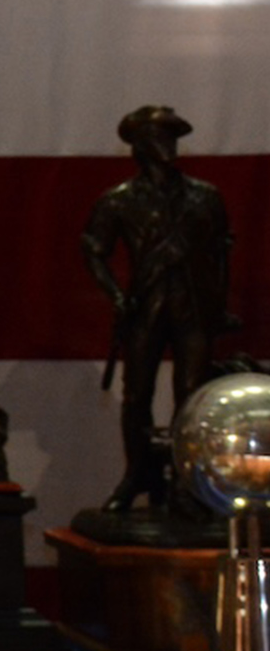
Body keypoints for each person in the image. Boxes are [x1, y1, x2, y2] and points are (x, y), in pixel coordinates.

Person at [82, 105, 232, 512]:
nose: (170, 145)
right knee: (137, 397)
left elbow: (222, 253)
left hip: (194, 307)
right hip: (146, 308)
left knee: (193, 397)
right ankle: (137, 474)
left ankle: (189, 480)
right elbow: (94, 250)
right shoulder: (120, 201)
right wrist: (115, 295)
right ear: (141, 146)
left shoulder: (205, 197)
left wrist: (220, 302)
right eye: (159, 137)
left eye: (172, 136)